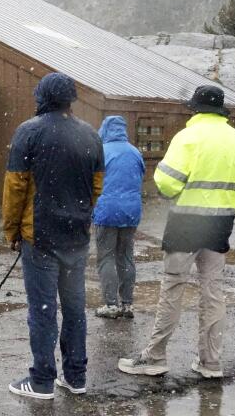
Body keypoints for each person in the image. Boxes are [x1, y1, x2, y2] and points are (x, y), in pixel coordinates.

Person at [118, 85, 235, 380]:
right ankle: (211, 362)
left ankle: (155, 357)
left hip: (185, 224)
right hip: (221, 224)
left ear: (194, 109)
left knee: (172, 288)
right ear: (222, 110)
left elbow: (167, 183)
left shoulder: (188, 137)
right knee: (213, 292)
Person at [3, 72, 104, 399]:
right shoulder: (91, 135)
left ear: (41, 97)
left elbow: (15, 187)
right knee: (75, 308)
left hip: (40, 238)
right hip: (76, 237)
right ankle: (76, 377)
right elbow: (97, 186)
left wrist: (12, 230)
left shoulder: (28, 132)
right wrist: (80, 216)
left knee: (43, 310)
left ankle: (42, 380)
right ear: (71, 99)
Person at [92, 116, 146, 319]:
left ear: (105, 129)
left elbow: (92, 181)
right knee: (125, 256)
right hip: (131, 211)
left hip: (107, 210)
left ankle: (111, 304)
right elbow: (141, 177)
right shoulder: (135, 152)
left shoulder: (101, 151)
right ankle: (127, 304)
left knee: (106, 257)